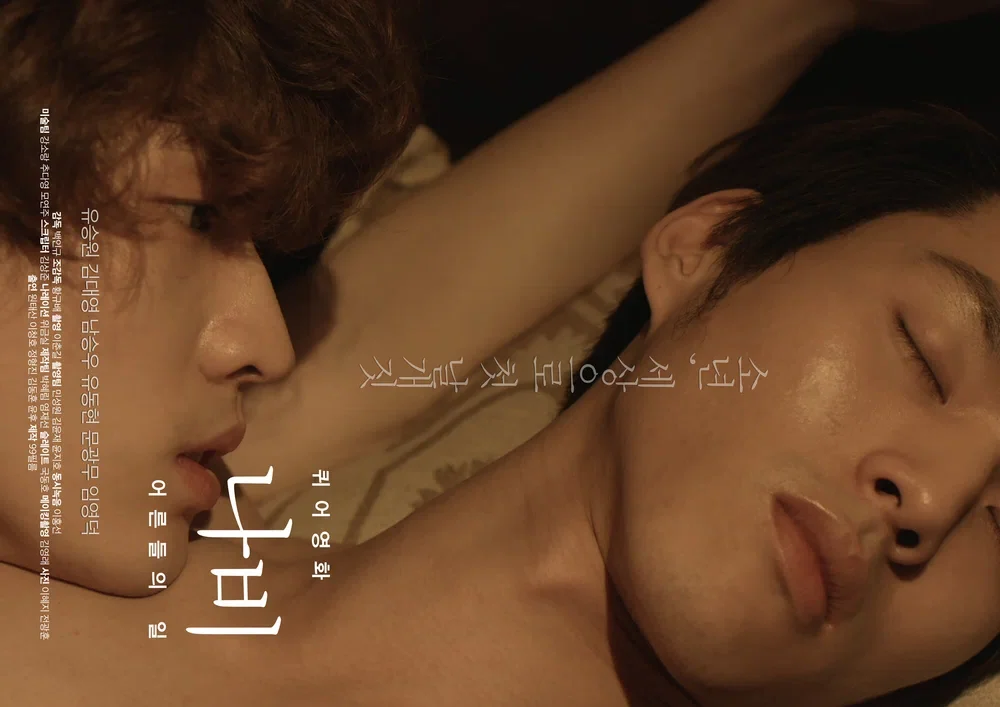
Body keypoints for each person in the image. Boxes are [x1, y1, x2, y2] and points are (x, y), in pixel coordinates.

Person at [2, 0, 1000, 706]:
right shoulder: (148, 510)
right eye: (925, 352)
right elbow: (341, 352)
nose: (936, 492)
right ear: (708, 247)